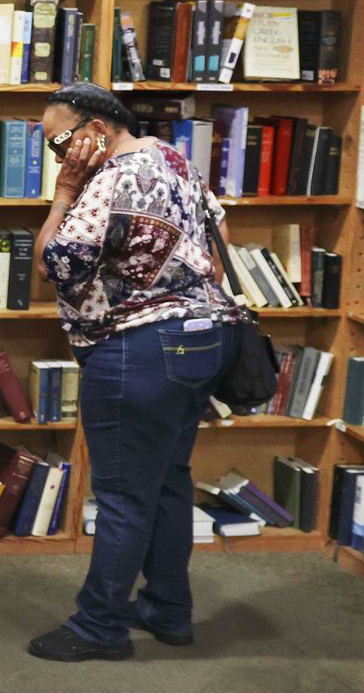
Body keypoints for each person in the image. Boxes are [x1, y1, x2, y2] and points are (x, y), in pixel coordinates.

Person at [28, 82, 247, 662]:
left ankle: (99, 627)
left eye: (60, 143)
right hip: (206, 340)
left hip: (140, 350)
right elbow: (220, 236)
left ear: (95, 130)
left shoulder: (108, 180)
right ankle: (169, 611)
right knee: (169, 477)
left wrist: (63, 194)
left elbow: (53, 262)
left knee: (123, 494)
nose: (59, 156)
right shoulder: (172, 159)